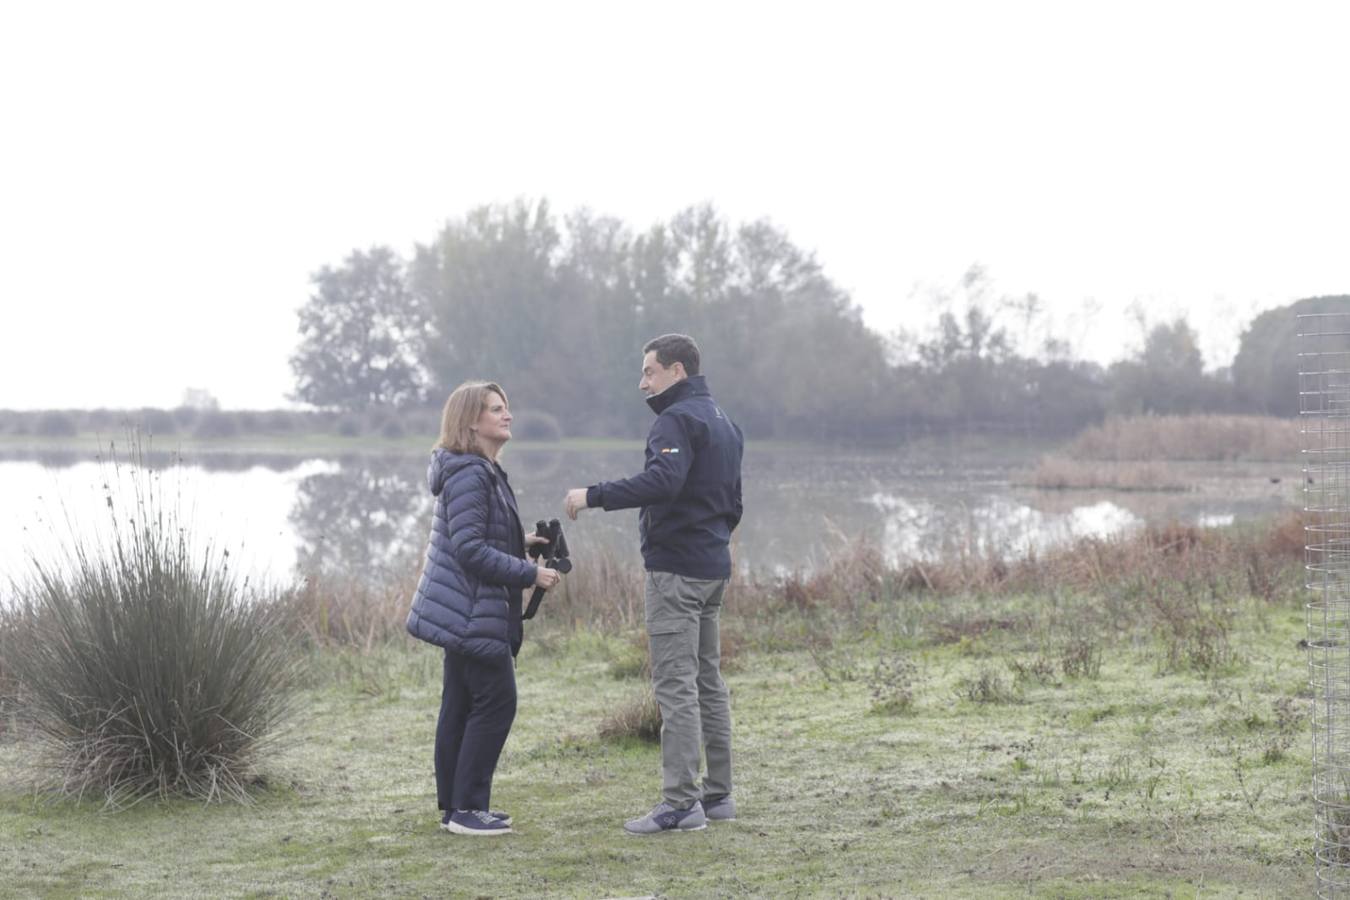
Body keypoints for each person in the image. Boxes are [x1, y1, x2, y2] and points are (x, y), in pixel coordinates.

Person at [565, 333, 744, 834]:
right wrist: (712, 542)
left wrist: (593, 495)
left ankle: (681, 804)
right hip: (712, 569)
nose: (643, 383)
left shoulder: (676, 420)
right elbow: (734, 504)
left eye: (649, 371)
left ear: (676, 371)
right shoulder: (724, 422)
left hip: (677, 573)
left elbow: (663, 482)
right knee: (708, 680)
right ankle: (719, 796)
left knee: (675, 684)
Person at [406, 381, 561, 837]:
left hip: (466, 610)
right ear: (471, 422)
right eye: (496, 409)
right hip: (471, 612)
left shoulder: (479, 469)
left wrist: (522, 542)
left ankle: (455, 809)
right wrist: (530, 574)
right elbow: (469, 549)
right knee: (497, 702)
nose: (507, 415)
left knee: (460, 705)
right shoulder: (471, 474)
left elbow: (473, 536)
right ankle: (469, 809)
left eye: (505, 407)